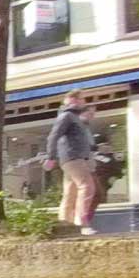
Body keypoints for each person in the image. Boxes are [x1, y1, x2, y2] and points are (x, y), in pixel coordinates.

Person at [45, 94, 97, 234]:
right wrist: (50, 156)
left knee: (70, 192)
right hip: (73, 157)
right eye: (82, 99)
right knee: (87, 186)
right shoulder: (67, 116)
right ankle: (81, 224)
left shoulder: (75, 118)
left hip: (73, 157)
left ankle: (65, 223)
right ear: (74, 100)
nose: (84, 102)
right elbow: (54, 135)